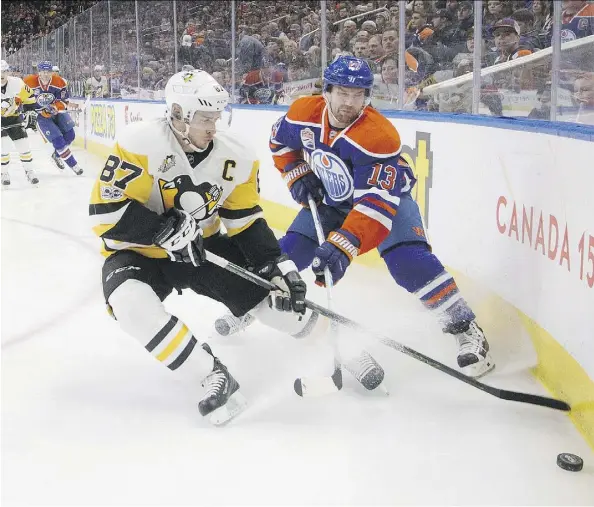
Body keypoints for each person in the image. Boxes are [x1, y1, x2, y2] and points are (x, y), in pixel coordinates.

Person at [88, 69, 375, 425]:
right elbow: (106, 213)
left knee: (270, 299)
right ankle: (213, 374)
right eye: (205, 118)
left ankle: (342, 346)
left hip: (202, 248)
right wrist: (162, 229)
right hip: (138, 252)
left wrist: (276, 264)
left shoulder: (234, 156)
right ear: (178, 114)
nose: (213, 125)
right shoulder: (140, 144)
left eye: (216, 117)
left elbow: (245, 219)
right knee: (129, 305)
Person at [217, 56, 494, 379]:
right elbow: (279, 141)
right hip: (333, 201)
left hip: (387, 204)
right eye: (343, 93)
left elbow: (374, 206)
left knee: (410, 263)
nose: (349, 102)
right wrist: (296, 171)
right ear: (328, 91)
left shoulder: (378, 136)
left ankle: (465, 327)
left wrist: (344, 245)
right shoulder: (303, 113)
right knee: (286, 253)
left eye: (358, 94)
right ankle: (251, 303)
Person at [23, 61, 83, 176]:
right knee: (58, 140)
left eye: (48, 72)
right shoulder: (28, 81)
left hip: (57, 112)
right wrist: (28, 110)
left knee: (70, 135)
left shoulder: (59, 82)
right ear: (38, 72)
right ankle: (74, 165)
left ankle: (56, 155)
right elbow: (20, 97)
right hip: (42, 116)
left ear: (51, 72)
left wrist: (56, 106)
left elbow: (64, 101)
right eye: (43, 72)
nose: (45, 74)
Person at [1, 59, 39, 186]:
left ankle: (29, 171)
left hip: (15, 118)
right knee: (3, 147)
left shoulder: (17, 82)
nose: (1, 75)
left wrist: (30, 110)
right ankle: (4, 172)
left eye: (4, 72)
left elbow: (30, 95)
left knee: (23, 146)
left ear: (8, 72)